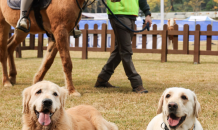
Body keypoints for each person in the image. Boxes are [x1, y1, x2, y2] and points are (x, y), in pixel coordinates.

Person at [94, 0, 152, 93]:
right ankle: (136, 83)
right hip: (117, 14)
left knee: (119, 50)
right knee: (126, 50)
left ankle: (102, 79)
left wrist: (147, 14)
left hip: (132, 15)